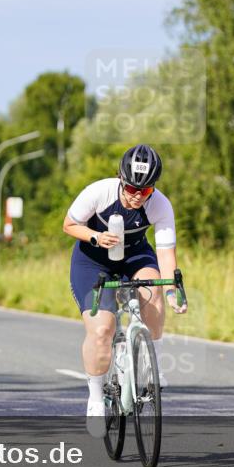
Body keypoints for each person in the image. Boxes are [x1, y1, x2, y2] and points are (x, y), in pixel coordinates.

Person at [62, 144, 187, 437]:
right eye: (131, 188)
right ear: (120, 178)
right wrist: (95, 236)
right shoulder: (99, 192)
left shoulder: (160, 205)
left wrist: (171, 292)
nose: (136, 196)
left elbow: (167, 255)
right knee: (102, 329)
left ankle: (151, 365)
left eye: (144, 191)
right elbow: (69, 225)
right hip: (93, 259)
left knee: (153, 292)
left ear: (152, 189)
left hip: (134, 254)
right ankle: (95, 397)